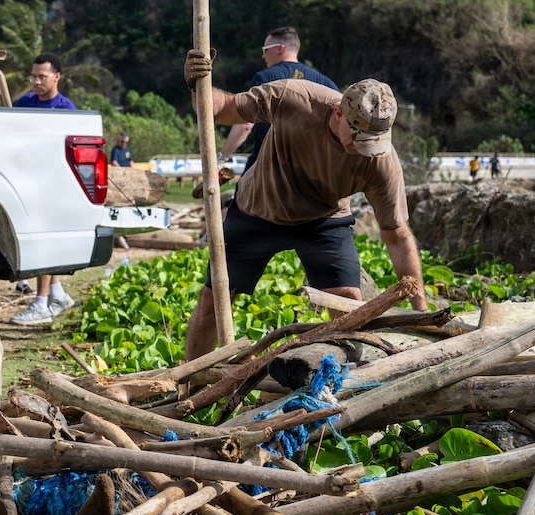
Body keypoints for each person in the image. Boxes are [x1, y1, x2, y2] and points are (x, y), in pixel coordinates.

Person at [183, 48, 428, 360]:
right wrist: (198, 85)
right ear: (339, 112)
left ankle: (339, 381)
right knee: (212, 303)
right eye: (356, 139)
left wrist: (421, 309)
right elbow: (223, 109)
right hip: (258, 210)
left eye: (372, 143)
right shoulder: (293, 98)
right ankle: (187, 381)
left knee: (347, 305)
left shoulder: (380, 162)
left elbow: (397, 234)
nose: (362, 150)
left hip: (324, 221)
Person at [11, 53, 77, 324]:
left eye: (42, 77)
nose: (36, 81)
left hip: (53, 184)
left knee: (43, 242)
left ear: (56, 77)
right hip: (28, 180)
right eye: (33, 76)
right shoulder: (24, 103)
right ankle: (58, 293)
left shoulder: (65, 111)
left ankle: (41, 304)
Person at [219, 26, 337, 165]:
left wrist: (221, 158)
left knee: (244, 187)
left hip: (268, 169)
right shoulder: (324, 83)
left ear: (280, 48)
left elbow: (245, 125)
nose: (263, 56)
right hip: (312, 170)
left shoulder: (264, 78)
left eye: (266, 50)